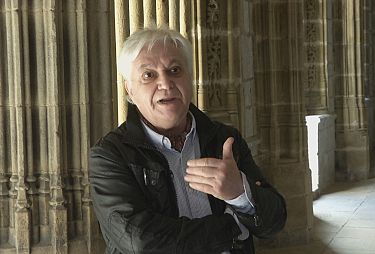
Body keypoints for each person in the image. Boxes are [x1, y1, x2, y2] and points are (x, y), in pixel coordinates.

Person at [89, 27, 286, 254]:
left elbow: (275, 221)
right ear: (130, 90)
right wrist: (232, 228)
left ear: (190, 79)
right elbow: (140, 242)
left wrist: (240, 192)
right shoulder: (110, 154)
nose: (165, 83)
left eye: (175, 70)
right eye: (148, 75)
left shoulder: (224, 140)